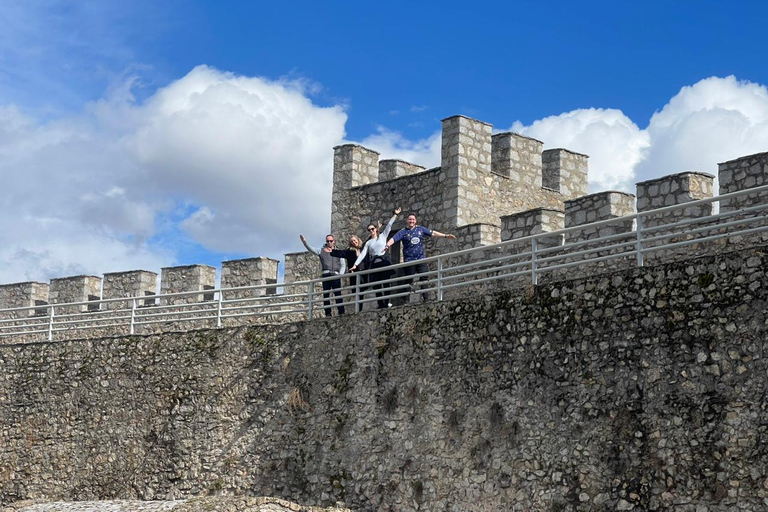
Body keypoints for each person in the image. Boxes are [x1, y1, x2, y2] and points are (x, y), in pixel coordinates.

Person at [385, 212, 456, 302]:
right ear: (407, 220)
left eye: (413, 219)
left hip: (421, 259)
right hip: (409, 260)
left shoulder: (420, 229)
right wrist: (387, 245)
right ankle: (405, 299)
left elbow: (432, 233)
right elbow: (394, 239)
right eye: (410, 219)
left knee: (424, 278)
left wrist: (445, 236)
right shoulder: (403, 231)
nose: (411, 221)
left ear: (415, 221)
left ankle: (426, 298)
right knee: (409, 280)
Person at [350, 208, 400, 309]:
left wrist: (395, 215)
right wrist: (355, 265)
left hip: (383, 262)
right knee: (376, 285)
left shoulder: (382, 236)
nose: (371, 231)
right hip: (375, 264)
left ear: (376, 229)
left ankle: (386, 302)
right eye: (369, 230)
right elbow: (363, 254)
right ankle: (381, 304)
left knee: (386, 283)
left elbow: (389, 226)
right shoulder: (368, 243)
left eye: (372, 229)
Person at [300, 233, 346, 317]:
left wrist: (340, 274)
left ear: (334, 241)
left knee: (338, 294)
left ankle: (341, 312)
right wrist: (305, 243)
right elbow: (312, 249)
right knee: (326, 295)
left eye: (331, 241)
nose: (329, 242)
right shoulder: (321, 250)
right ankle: (328, 313)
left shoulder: (339, 252)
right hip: (326, 275)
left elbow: (343, 264)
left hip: (336, 275)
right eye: (328, 241)